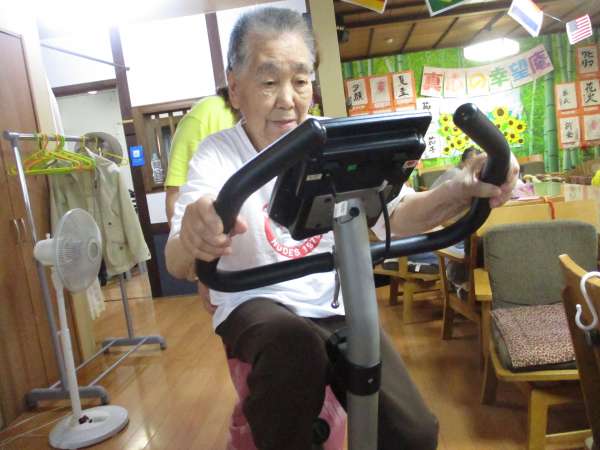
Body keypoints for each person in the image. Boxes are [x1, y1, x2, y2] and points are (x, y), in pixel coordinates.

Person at [166, 7, 519, 450]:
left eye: (300, 80)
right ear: (235, 88)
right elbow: (176, 259)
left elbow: (395, 216)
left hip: (333, 307)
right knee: (293, 347)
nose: (287, 99)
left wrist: (461, 191)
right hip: (256, 305)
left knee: (413, 433)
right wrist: (194, 235)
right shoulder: (217, 154)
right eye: (269, 81)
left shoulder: (330, 141)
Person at [165, 87, 238, 225]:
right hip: (221, 231)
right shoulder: (207, 113)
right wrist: (182, 236)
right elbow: (176, 193)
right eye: (269, 83)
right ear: (234, 82)